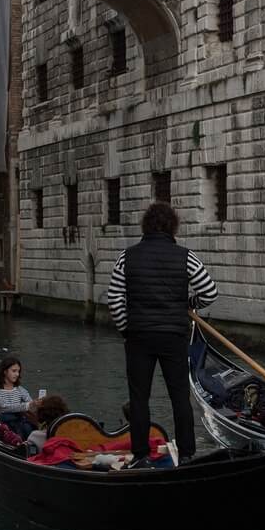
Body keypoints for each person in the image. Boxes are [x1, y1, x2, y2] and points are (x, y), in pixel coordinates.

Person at [104, 201, 216, 468]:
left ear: (146, 226)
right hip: (174, 335)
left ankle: (141, 456)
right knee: (179, 396)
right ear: (172, 226)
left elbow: (114, 298)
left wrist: (126, 330)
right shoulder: (185, 256)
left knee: (139, 398)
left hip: (139, 336)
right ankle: (187, 455)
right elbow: (209, 292)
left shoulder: (126, 256)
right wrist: (190, 304)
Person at [0, 358, 45, 442]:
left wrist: (36, 404)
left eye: (18, 371)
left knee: (27, 427)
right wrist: (28, 405)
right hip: (1, 423)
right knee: (10, 422)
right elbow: (4, 407)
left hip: (19, 420)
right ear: (5, 371)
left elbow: (30, 404)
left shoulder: (21, 390)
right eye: (14, 371)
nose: (17, 374)